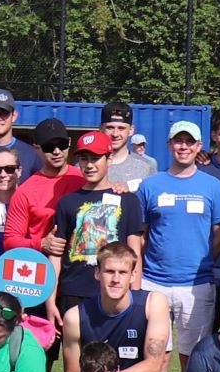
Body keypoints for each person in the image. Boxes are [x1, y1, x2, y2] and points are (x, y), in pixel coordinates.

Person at [138, 118, 220, 359]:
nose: (184, 147)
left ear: (199, 146)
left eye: (189, 142)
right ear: (169, 145)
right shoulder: (150, 185)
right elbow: (141, 234)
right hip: (154, 283)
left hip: (197, 285)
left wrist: (204, 259)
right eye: (178, 141)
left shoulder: (212, 185)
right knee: (155, 358)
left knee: (193, 361)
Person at [64, 244, 170, 372]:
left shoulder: (153, 303)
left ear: (133, 276)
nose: (115, 279)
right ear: (97, 273)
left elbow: (153, 365)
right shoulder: (75, 316)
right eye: (109, 271)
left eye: (123, 272)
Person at [46, 131, 146, 312]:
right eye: (84, 159)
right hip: (73, 291)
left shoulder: (128, 200)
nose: (89, 165)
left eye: (96, 158)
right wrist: (50, 300)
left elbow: (135, 254)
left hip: (115, 290)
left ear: (109, 159)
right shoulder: (67, 202)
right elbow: (56, 255)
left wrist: (136, 296)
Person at [0, 121, 81, 250]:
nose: (56, 151)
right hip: (44, 265)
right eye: (49, 147)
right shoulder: (25, 191)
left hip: (82, 264)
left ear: (70, 143)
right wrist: (41, 244)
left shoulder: (83, 180)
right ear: (37, 148)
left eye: (62, 145)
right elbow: (10, 241)